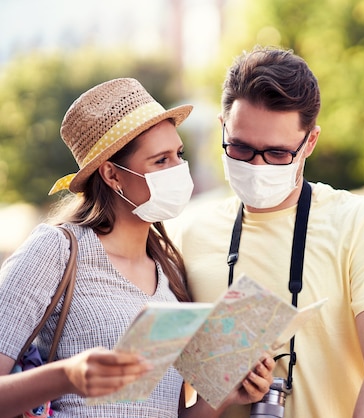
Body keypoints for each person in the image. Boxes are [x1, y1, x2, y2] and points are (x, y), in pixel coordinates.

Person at [171, 46, 364, 417]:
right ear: (223, 128)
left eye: (276, 154)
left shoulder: (358, 223)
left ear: (310, 142)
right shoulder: (189, 233)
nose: (257, 166)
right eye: (240, 148)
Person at [0, 77, 274, 417]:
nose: (178, 170)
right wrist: (66, 376)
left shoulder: (170, 268)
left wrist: (221, 395)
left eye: (179, 154)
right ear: (112, 175)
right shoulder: (56, 250)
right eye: (160, 161)